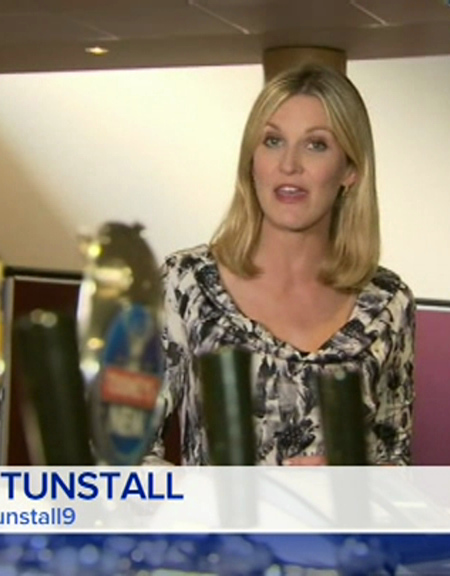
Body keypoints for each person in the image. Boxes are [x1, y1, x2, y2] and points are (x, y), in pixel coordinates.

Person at [146, 63, 416, 466]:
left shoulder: (388, 303)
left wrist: (354, 481)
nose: (289, 164)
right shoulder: (186, 284)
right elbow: (122, 456)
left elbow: (396, 459)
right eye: (273, 141)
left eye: (316, 145)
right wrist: (210, 494)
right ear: (251, 160)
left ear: (350, 170)